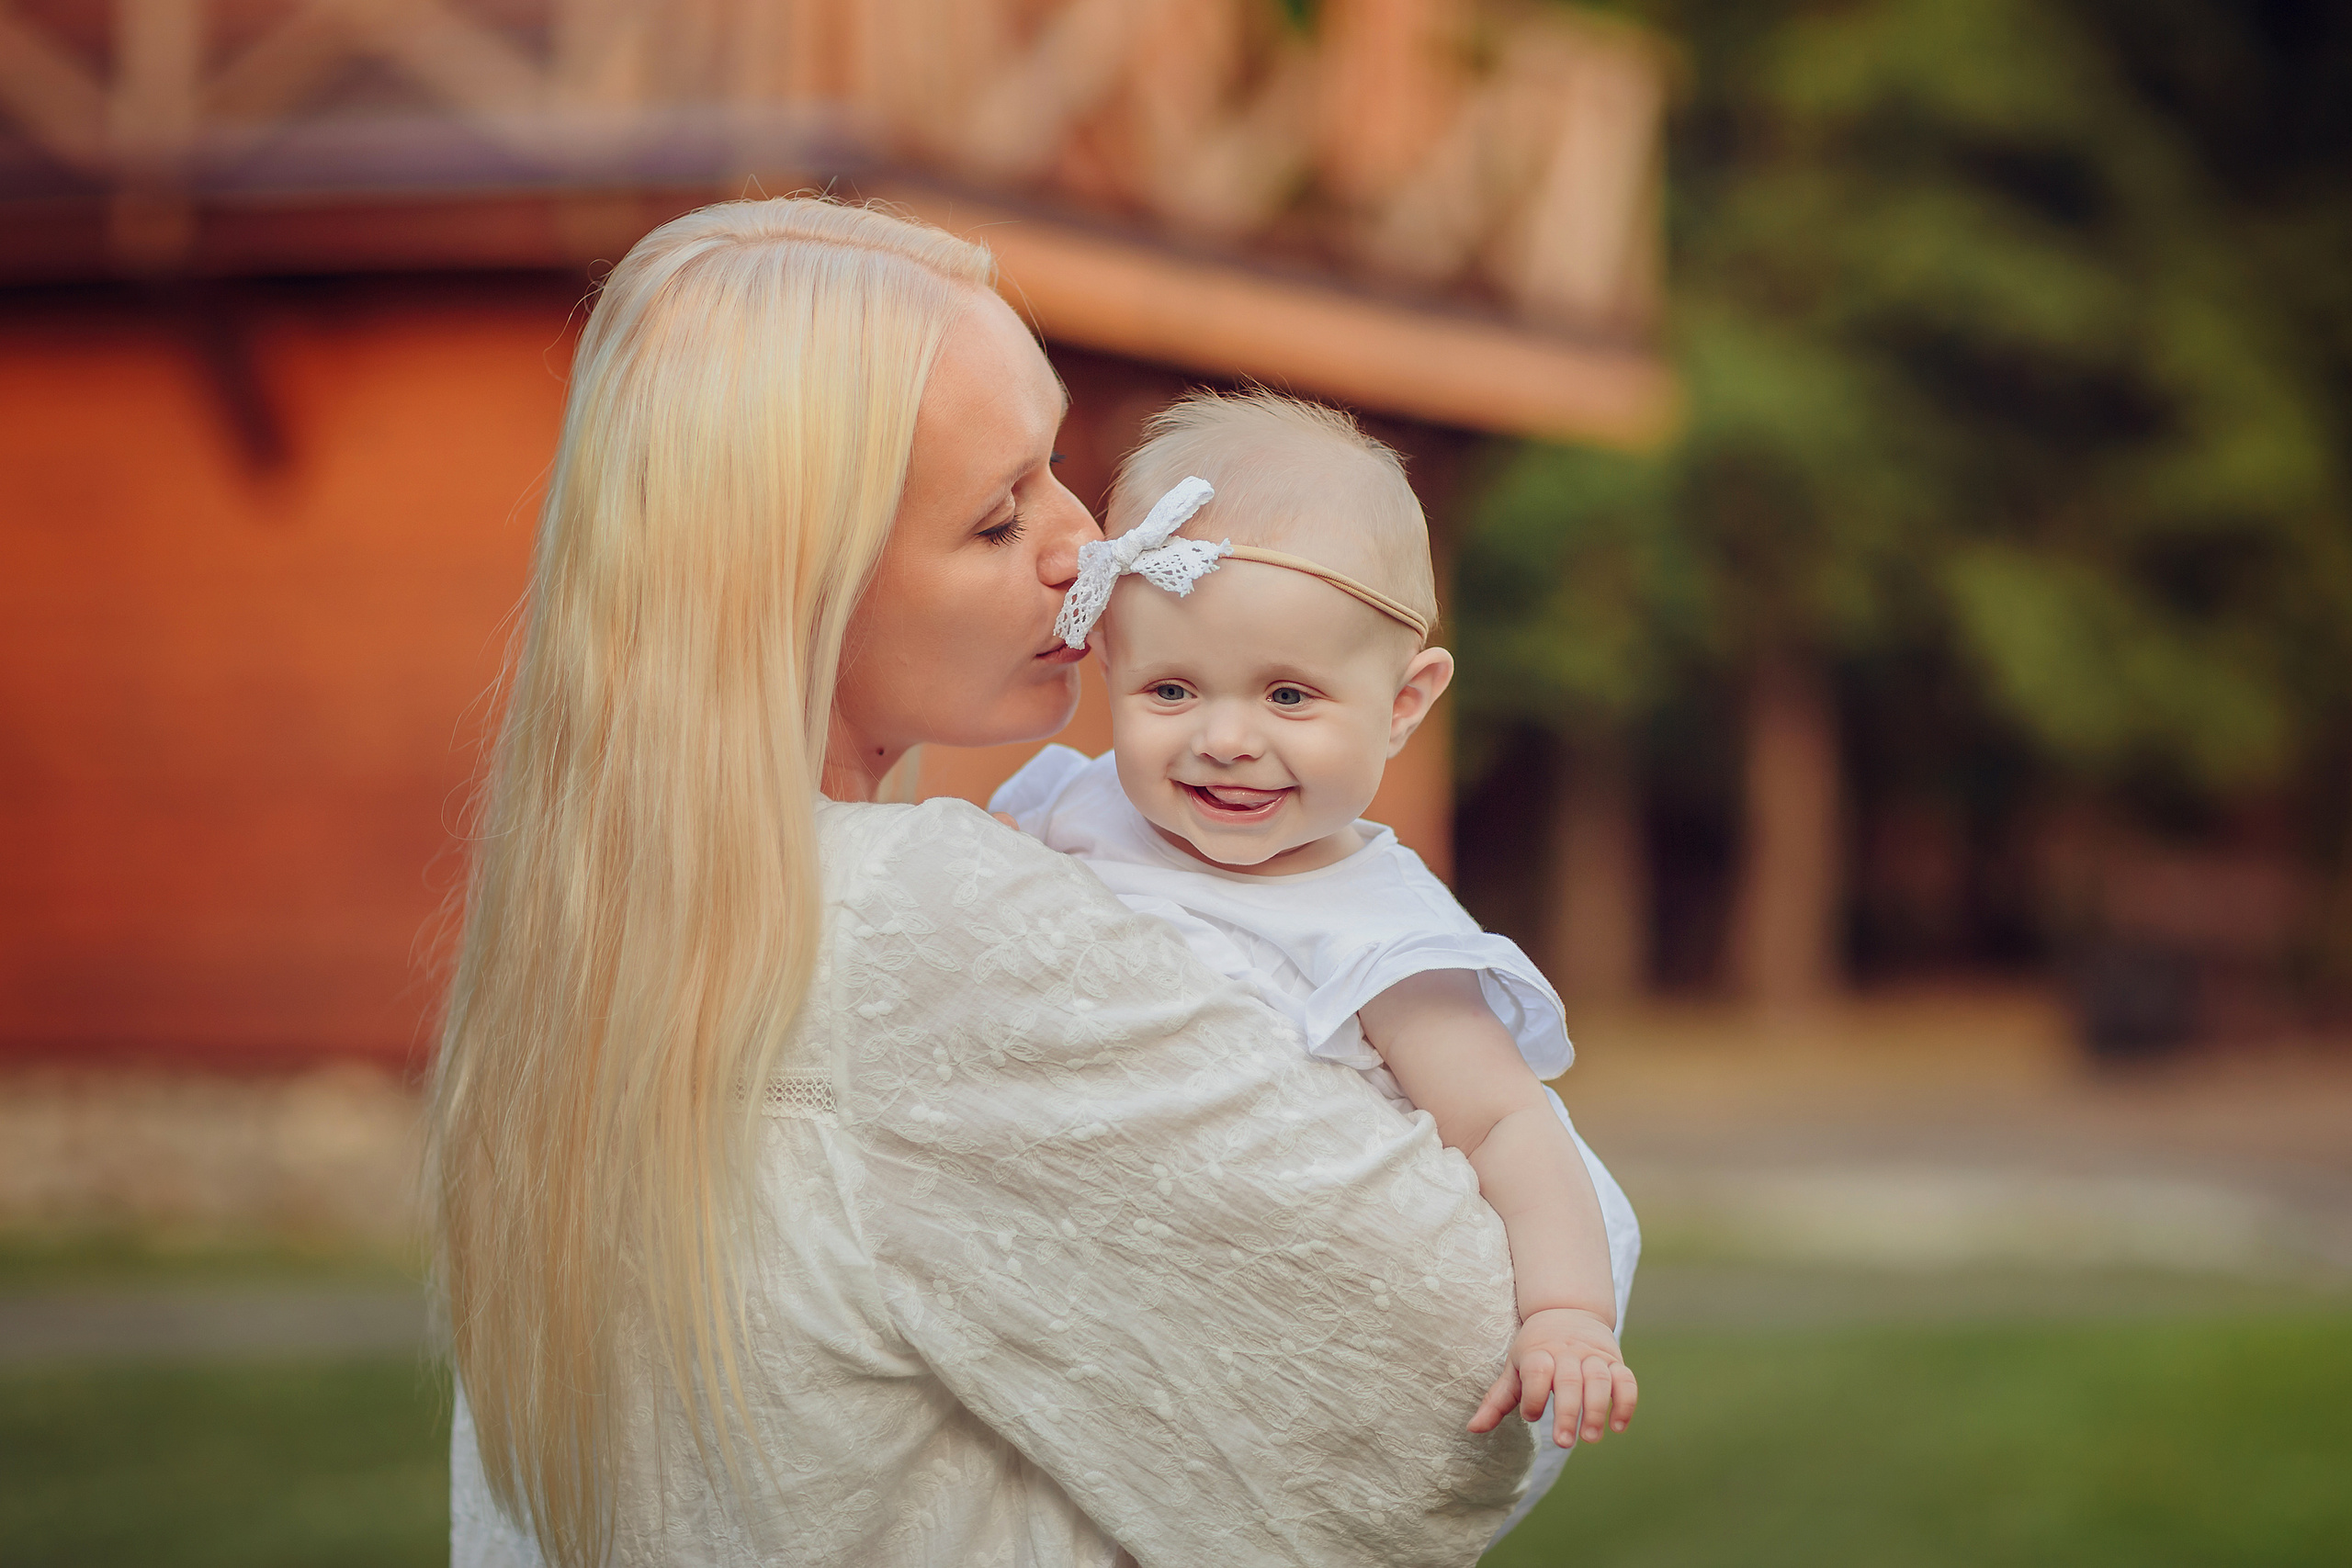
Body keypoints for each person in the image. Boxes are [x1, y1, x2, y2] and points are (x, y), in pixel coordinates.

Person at [430, 197, 1537, 1568]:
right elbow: (1461, 1393)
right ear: (803, 586)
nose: (1088, 544)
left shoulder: (592, 932)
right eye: (998, 515)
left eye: (1061, 466)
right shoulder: (924, 923)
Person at [991, 392, 1642, 1536]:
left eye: (1289, 695)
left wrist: (1568, 1315)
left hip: (1239, 1313)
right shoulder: (1069, 811)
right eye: (1170, 690)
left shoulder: (1385, 939)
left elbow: (1506, 1126)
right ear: (1109, 668)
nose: (1227, 737)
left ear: (1403, 704)